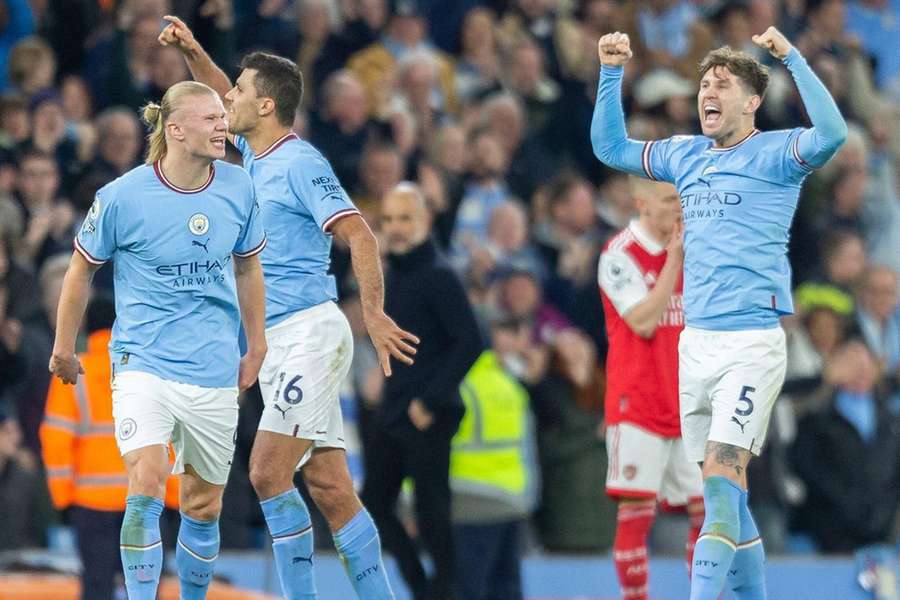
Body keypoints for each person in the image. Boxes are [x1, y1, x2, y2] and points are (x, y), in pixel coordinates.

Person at [160, 15, 414, 599]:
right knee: (328, 485)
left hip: (309, 333)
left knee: (267, 471)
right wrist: (194, 50)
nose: (229, 96)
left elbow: (361, 235)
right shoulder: (252, 157)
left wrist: (372, 314)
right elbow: (221, 83)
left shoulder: (302, 164)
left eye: (241, 92)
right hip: (273, 343)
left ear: (267, 105)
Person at [591, 26, 847, 600]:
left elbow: (833, 133)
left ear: (752, 102)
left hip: (751, 342)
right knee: (723, 494)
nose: (709, 91)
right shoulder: (683, 156)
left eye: (723, 84)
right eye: (705, 82)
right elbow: (610, 150)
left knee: (724, 480)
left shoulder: (777, 153)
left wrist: (791, 57)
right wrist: (610, 74)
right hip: (695, 347)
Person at [48, 80, 268, 600]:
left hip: (213, 367)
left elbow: (249, 265)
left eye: (223, 116)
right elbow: (80, 270)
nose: (223, 126)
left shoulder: (239, 188)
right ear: (175, 129)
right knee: (147, 480)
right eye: (212, 118)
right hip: (142, 361)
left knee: (202, 506)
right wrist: (63, 345)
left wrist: (255, 343)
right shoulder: (122, 196)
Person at [367, 182, 484, 600]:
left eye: (405, 219)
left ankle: (444, 591)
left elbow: (471, 340)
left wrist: (430, 400)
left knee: (432, 511)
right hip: (396, 408)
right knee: (376, 504)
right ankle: (424, 588)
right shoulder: (394, 271)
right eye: (389, 219)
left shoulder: (438, 274)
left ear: (425, 221)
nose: (395, 228)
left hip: (426, 412)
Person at [598, 176, 703, 600]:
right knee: (636, 515)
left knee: (707, 513)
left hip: (688, 403)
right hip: (637, 402)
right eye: (668, 200)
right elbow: (641, 320)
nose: (678, 208)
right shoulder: (619, 254)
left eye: (681, 199)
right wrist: (674, 263)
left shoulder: (695, 249)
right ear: (641, 203)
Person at [41, 294, 180, 600]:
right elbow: (169, 439)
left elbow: (56, 438)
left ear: (87, 328)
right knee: (145, 588)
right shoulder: (150, 373)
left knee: (96, 587)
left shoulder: (74, 375)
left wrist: (62, 498)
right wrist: (173, 495)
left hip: (90, 504)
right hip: (145, 500)